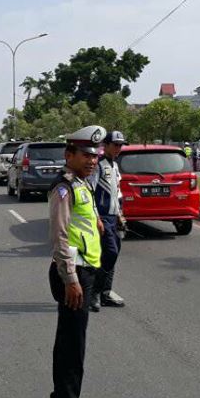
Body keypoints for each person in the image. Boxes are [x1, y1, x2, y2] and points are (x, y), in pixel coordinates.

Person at [48, 125, 107, 398]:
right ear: (69, 154)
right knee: (72, 348)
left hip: (85, 269)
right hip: (73, 273)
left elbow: (85, 218)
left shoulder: (81, 184)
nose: (92, 160)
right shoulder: (63, 188)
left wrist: (97, 219)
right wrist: (70, 279)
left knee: (69, 342)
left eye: (95, 155)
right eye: (85, 154)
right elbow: (58, 237)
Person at [89, 131, 127, 311]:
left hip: (113, 216)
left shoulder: (115, 166)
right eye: (116, 145)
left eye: (121, 145)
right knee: (109, 253)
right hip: (102, 217)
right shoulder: (98, 165)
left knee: (114, 252)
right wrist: (96, 218)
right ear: (106, 145)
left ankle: (105, 292)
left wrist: (120, 215)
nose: (119, 148)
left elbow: (116, 193)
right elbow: (90, 192)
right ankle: (94, 293)